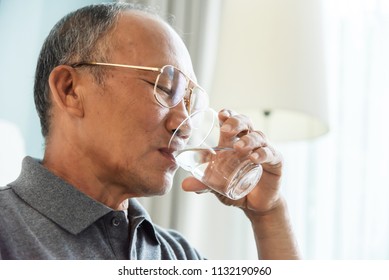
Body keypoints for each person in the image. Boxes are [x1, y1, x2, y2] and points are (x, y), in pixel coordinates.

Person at [0, 2, 299, 260]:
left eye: (190, 103)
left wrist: (269, 213)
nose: (184, 124)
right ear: (70, 91)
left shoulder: (178, 256)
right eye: (166, 88)